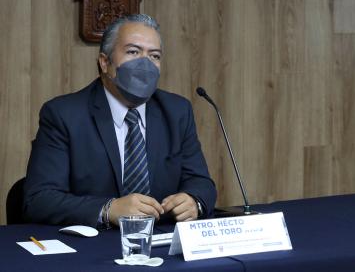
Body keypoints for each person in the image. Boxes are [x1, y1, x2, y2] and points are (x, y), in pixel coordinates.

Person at [23, 14, 216, 228]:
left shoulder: (177, 111)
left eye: (154, 56)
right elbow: (39, 199)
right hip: (94, 243)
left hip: (161, 240)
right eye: (133, 52)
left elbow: (201, 183)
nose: (145, 64)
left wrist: (193, 201)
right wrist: (108, 209)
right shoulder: (64, 114)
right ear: (105, 62)